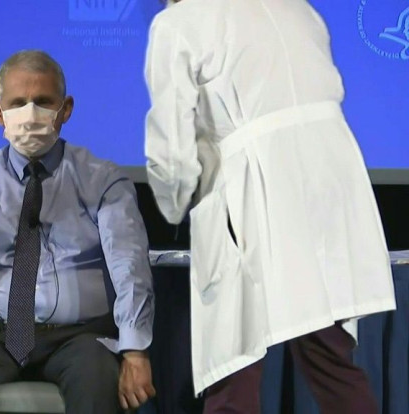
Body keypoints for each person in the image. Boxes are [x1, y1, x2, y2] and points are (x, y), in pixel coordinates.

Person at [143, 0, 396, 412]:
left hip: (256, 182)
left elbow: (171, 144)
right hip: (333, 179)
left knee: (232, 354)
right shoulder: (298, 8)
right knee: (327, 350)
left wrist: (173, 205)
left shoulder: (179, 22)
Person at [0, 50, 156, 414]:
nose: (31, 113)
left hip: (80, 338)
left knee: (99, 386)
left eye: (43, 102)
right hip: (0, 338)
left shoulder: (103, 180)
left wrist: (134, 351)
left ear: (65, 109)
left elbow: (130, 267)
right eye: (18, 103)